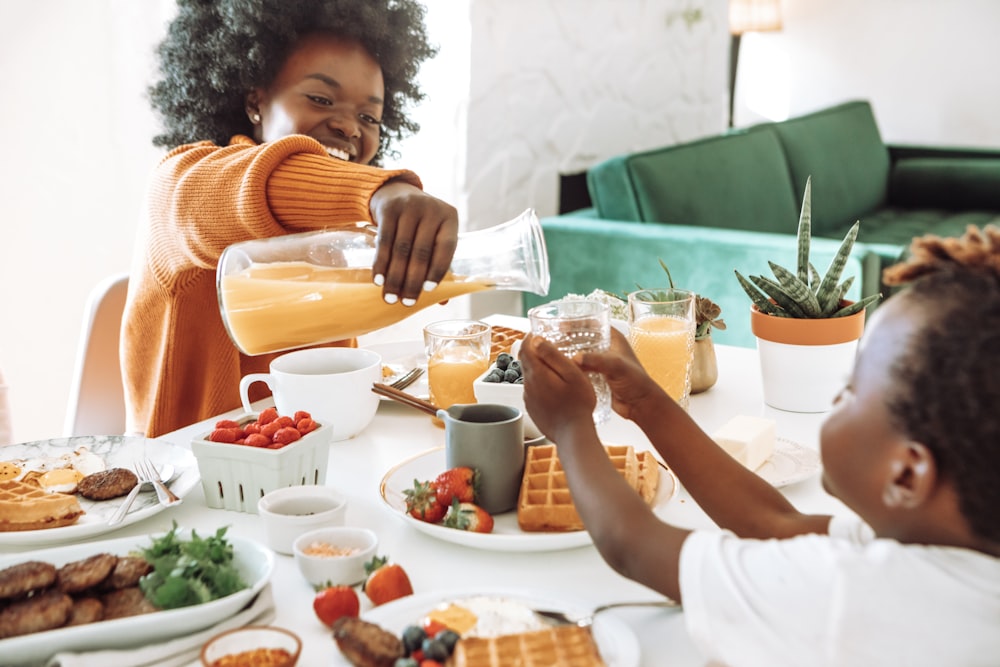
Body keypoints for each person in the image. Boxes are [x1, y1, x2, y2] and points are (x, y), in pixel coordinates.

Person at [520, 225, 1000, 666]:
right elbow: (774, 523)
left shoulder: (860, 593)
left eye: (851, 390)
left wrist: (569, 426)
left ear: (906, 475)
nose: (837, 397)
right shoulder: (955, 560)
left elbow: (634, 547)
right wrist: (647, 400)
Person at [123, 0, 458, 437]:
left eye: (369, 117)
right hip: (186, 484)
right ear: (255, 101)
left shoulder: (340, 229)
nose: (350, 128)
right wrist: (377, 189)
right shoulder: (181, 185)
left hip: (308, 472)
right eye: (321, 98)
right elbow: (256, 185)